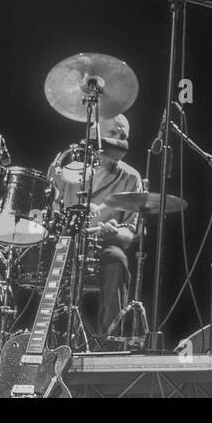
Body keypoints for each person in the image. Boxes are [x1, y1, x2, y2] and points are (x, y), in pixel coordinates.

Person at [51, 113, 144, 339]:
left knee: (117, 260)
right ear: (95, 134)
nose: (119, 140)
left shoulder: (131, 178)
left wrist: (112, 231)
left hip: (101, 247)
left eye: (124, 136)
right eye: (113, 133)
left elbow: (129, 235)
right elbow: (50, 211)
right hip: (64, 243)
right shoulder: (66, 166)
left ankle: (111, 339)